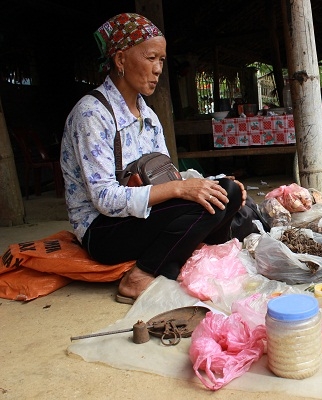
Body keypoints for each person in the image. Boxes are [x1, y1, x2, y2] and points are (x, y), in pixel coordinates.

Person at [60, 13, 246, 303]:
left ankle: (192, 263)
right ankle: (140, 277)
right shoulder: (91, 114)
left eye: (161, 60)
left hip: (141, 219)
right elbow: (105, 199)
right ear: (120, 60)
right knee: (210, 201)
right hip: (104, 230)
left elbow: (169, 176)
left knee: (227, 192)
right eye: (151, 58)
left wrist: (207, 184)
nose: (158, 69)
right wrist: (179, 189)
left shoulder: (148, 114)